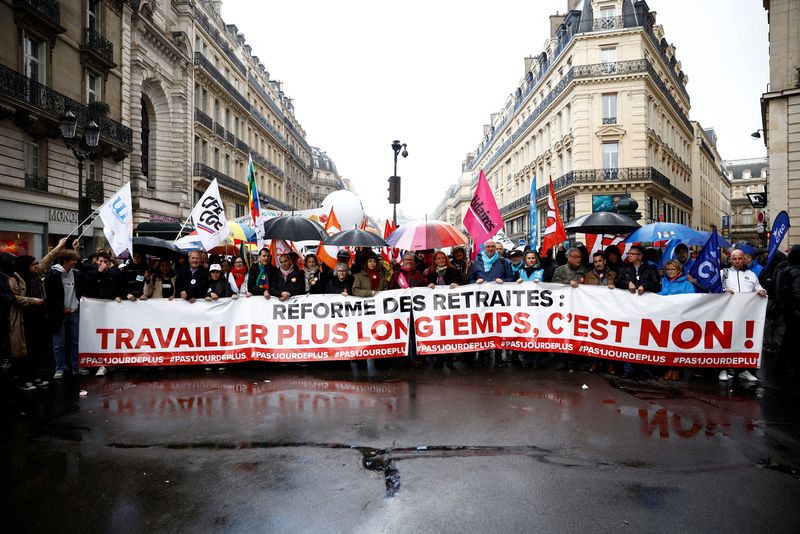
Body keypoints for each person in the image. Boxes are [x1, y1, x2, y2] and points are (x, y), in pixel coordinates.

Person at [718, 249, 768, 383]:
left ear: (745, 259)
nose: (737, 261)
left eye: (740, 258)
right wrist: (723, 290)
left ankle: (743, 370)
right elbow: (714, 288)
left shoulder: (751, 274)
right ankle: (723, 368)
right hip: (727, 314)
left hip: (746, 315)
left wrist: (761, 291)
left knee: (743, 342)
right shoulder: (724, 273)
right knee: (725, 341)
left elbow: (758, 288)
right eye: (734, 259)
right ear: (730, 260)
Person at [467, 239, 514, 367]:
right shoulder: (476, 263)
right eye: (488, 246)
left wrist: (503, 281)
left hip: (498, 302)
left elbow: (511, 278)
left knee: (498, 327)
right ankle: (481, 356)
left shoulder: (504, 262)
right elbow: (469, 279)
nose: (491, 248)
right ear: (484, 248)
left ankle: (499, 357)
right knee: (483, 326)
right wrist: (475, 283)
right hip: (481, 302)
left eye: (493, 246)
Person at [45, 248, 86, 379]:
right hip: (59, 314)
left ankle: (76, 367)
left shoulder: (77, 274)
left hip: (74, 312)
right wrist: (61, 308)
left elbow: (80, 290)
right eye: (73, 260)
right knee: (59, 343)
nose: (75, 262)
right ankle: (60, 368)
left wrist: (79, 303)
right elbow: (49, 296)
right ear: (65, 260)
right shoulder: (53, 274)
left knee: (76, 342)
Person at [658, 259, 696, 381]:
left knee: (677, 344)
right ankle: (669, 368)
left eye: (672, 269)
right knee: (667, 344)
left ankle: (675, 369)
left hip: (680, 318)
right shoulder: (664, 281)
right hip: (666, 317)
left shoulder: (687, 284)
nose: (670, 272)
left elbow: (691, 300)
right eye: (668, 269)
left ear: (679, 270)